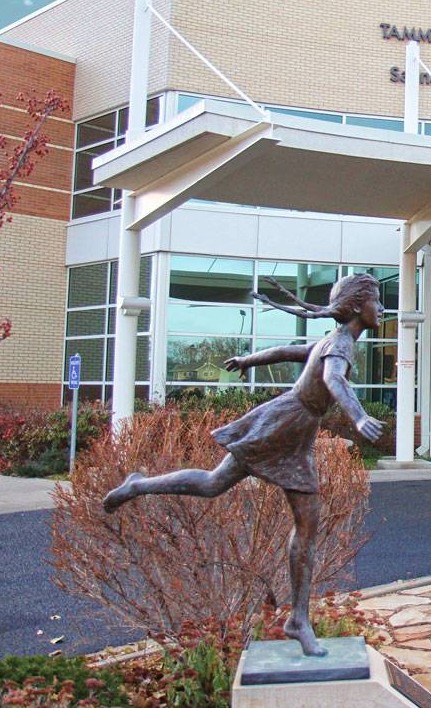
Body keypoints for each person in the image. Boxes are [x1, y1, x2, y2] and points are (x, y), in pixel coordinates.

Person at [102, 272, 386, 657]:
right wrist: (358, 417)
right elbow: (334, 379)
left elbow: (287, 351)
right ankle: (137, 485)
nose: (381, 308)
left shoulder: (333, 340)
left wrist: (248, 359)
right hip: (285, 424)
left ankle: (298, 619)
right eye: (376, 300)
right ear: (356, 307)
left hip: (295, 428)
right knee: (218, 486)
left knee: (283, 513)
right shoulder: (340, 344)